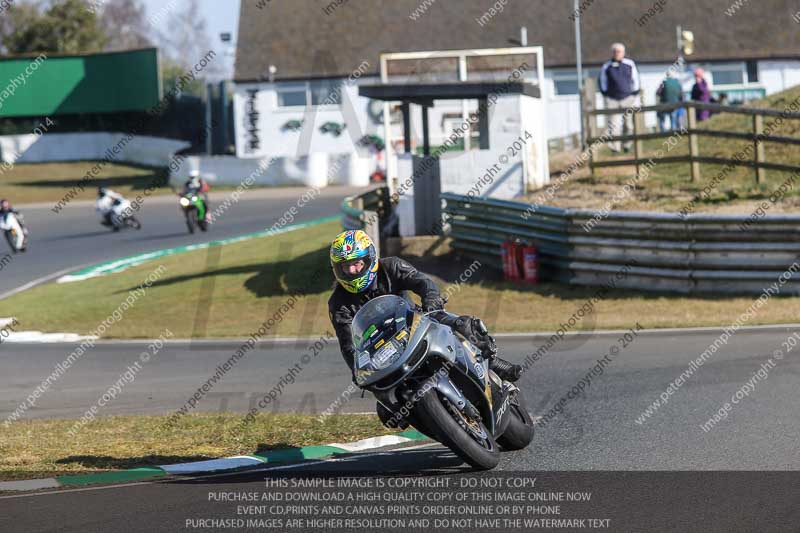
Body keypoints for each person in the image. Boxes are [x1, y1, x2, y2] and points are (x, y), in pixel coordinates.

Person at [327, 230, 523, 426]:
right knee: (387, 413)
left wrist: (431, 299)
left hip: (416, 321)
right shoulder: (338, 303)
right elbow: (347, 344)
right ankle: (433, 422)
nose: (352, 271)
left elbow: (423, 283)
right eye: (345, 266)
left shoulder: (392, 266)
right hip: (382, 351)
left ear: (369, 258)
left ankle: (493, 363)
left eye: (356, 263)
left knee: (463, 326)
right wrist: (357, 370)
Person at [598, 43, 641, 152]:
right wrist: (605, 94)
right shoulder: (607, 66)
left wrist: (634, 93)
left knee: (628, 124)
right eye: (615, 51)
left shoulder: (629, 64)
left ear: (623, 52)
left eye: (619, 51)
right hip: (612, 99)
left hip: (627, 98)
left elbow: (635, 79)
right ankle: (616, 148)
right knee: (614, 125)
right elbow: (603, 81)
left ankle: (626, 145)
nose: (617, 53)